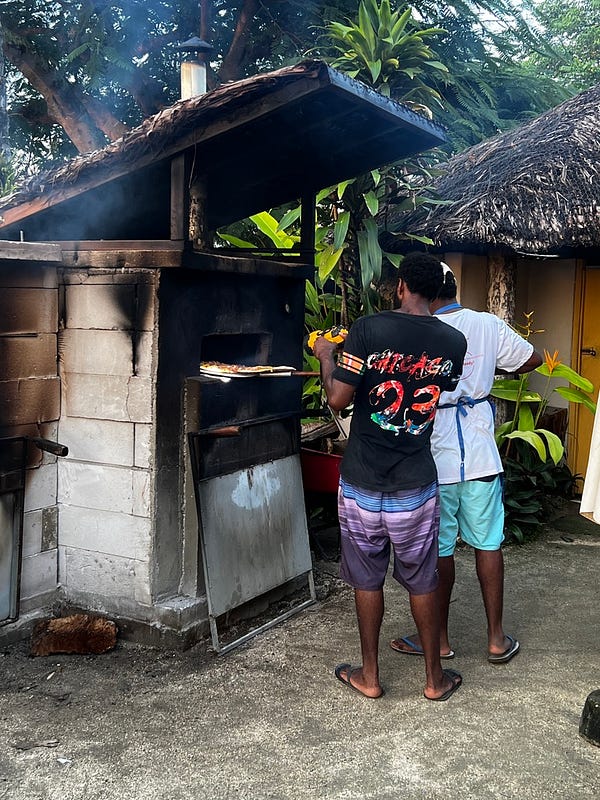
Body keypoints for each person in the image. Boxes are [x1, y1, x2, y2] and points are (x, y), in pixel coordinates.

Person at [312, 252, 467, 701]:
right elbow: (442, 386)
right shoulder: (453, 342)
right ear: (437, 293)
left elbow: (339, 399)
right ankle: (435, 680)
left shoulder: (368, 330)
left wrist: (327, 356)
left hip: (362, 481)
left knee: (366, 578)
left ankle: (371, 676)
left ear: (400, 286)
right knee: (422, 578)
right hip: (415, 483)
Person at [390, 265, 542, 664]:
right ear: (454, 288)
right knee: (488, 543)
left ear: (424, 291)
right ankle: (495, 638)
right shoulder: (487, 324)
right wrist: (493, 368)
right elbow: (533, 359)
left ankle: (438, 640)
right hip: (479, 454)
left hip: (433, 455)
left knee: (440, 550)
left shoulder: (418, 330)